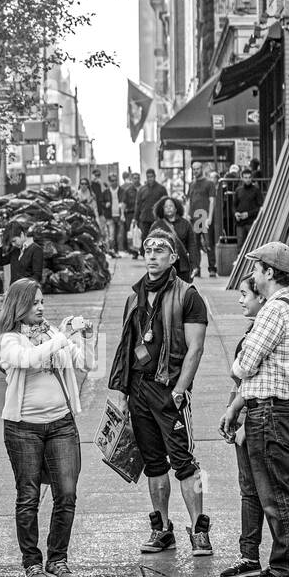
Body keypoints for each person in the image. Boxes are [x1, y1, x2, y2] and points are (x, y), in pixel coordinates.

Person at [107, 232, 212, 557]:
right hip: (139, 388)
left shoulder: (187, 295)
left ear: (173, 257)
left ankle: (199, 531)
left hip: (170, 390)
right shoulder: (134, 296)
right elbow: (127, 347)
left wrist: (181, 390)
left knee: (184, 463)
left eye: (160, 250)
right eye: (148, 250)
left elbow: (195, 348)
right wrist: (122, 392)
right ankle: (161, 529)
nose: (152, 255)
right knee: (153, 464)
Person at [0, 279, 96, 577]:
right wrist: (63, 338)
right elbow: (28, 359)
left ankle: (58, 559)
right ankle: (32, 562)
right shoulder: (9, 340)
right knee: (28, 495)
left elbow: (88, 364)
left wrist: (83, 338)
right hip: (23, 428)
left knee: (66, 493)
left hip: (61, 425)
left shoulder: (54, 333)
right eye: (34, 302)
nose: (41, 307)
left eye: (42, 301)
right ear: (19, 305)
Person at [221, 242, 289, 577]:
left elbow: (244, 364)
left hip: (271, 411)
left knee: (276, 494)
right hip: (276, 408)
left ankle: (287, 570)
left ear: (270, 273)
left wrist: (239, 371)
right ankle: (283, 565)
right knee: (274, 491)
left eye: (257, 268)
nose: (254, 275)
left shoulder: (275, 309)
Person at [216, 274, 269, 577]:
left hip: (257, 421)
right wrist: (230, 412)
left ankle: (261, 557)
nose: (240, 299)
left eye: (244, 294)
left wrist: (245, 424)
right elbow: (240, 382)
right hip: (245, 420)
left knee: (261, 491)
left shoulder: (262, 333)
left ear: (260, 297)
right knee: (250, 490)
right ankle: (249, 555)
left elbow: (257, 383)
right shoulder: (254, 330)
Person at [151, 196, 195, 282]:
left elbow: (192, 245)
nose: (168, 208)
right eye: (166, 207)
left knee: (182, 291)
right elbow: (150, 245)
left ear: (176, 208)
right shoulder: (157, 225)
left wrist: (194, 265)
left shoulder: (185, 224)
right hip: (163, 265)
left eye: (171, 206)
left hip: (182, 265)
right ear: (162, 209)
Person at [187, 164, 218, 277]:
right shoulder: (191, 184)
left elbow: (212, 201)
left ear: (202, 169)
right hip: (194, 217)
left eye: (197, 169)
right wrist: (187, 214)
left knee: (209, 244)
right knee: (195, 245)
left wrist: (210, 217)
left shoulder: (209, 183)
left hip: (204, 217)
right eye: (194, 169)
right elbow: (189, 200)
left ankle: (212, 269)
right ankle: (196, 268)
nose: (196, 171)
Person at [134, 169, 167, 248]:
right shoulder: (142, 190)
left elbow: (165, 203)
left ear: (154, 176)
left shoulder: (161, 189)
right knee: (145, 237)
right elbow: (138, 205)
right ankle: (145, 253)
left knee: (157, 237)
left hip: (157, 218)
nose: (150, 179)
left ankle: (157, 252)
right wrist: (135, 218)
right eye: (148, 177)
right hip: (145, 218)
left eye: (151, 176)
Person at [232, 167, 264, 245]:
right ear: (242, 178)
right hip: (240, 222)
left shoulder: (256, 190)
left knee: (252, 244)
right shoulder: (238, 190)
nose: (248, 179)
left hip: (251, 222)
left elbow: (261, 207)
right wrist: (235, 213)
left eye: (249, 177)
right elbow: (233, 205)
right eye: (245, 177)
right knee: (240, 245)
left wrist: (248, 214)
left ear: (252, 178)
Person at [89, 169, 112, 247]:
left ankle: (104, 247)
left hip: (101, 212)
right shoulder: (89, 185)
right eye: (95, 175)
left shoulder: (101, 185)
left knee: (103, 231)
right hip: (92, 213)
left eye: (98, 175)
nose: (97, 177)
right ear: (92, 175)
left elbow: (106, 195)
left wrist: (101, 184)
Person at [123, 171, 142, 258]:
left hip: (141, 214)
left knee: (141, 233)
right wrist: (122, 215)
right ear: (132, 179)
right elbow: (124, 203)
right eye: (134, 178)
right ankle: (134, 252)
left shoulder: (143, 189)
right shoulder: (128, 190)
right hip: (130, 214)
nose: (136, 180)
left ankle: (142, 251)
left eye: (137, 178)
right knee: (132, 233)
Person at [107, 171, 125, 257]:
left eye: (115, 180)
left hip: (119, 215)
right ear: (109, 181)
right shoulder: (106, 192)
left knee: (119, 235)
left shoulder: (121, 190)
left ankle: (116, 251)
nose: (113, 182)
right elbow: (101, 202)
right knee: (111, 235)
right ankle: (112, 250)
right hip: (110, 216)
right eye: (112, 180)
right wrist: (105, 204)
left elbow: (125, 201)